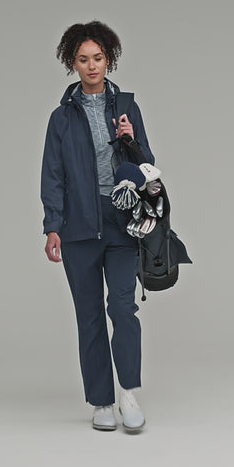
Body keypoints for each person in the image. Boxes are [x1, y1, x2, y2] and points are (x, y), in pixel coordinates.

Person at [40, 21, 155, 432]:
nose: (92, 66)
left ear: (109, 60)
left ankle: (128, 393)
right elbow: (53, 174)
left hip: (121, 222)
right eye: (83, 59)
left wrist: (131, 140)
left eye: (99, 58)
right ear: (72, 63)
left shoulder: (126, 107)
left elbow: (147, 167)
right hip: (78, 228)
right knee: (89, 316)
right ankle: (101, 401)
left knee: (123, 308)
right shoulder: (61, 118)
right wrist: (53, 226)